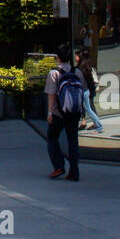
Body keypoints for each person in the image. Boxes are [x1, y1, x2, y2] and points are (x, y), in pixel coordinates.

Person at [44, 43, 82, 180]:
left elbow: (51, 95)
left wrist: (49, 113)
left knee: (52, 138)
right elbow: (81, 92)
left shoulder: (54, 73)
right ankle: (74, 171)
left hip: (58, 113)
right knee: (73, 141)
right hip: (74, 112)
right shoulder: (76, 72)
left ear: (57, 57)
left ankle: (59, 166)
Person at [76, 50, 104, 134]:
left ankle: (99, 126)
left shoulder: (81, 68)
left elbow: (88, 80)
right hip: (85, 91)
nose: (75, 57)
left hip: (84, 91)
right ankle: (95, 125)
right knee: (87, 109)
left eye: (76, 56)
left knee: (89, 109)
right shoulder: (84, 66)